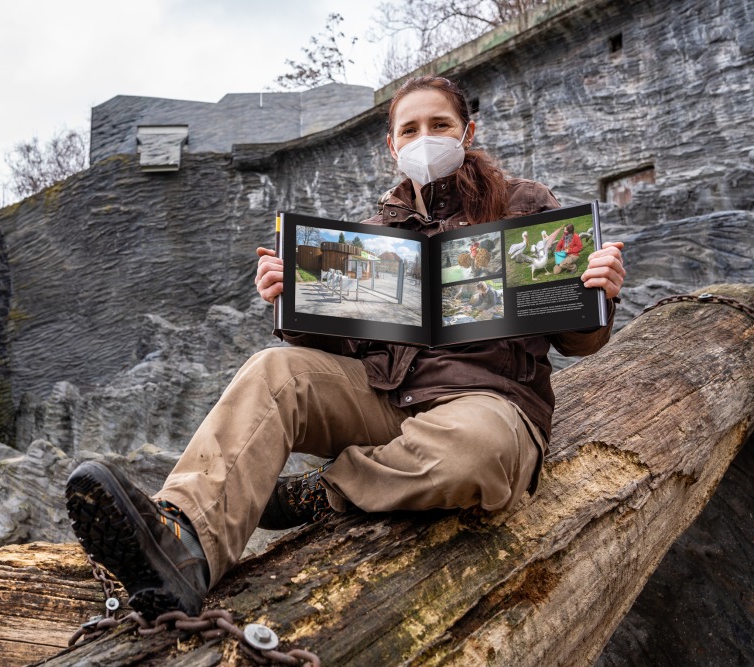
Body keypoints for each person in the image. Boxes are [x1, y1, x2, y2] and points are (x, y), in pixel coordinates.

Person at [64, 75, 627, 620]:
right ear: (391, 144)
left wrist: (598, 292)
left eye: (440, 124)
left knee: (476, 453)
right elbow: (337, 344)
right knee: (275, 369)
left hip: (488, 403)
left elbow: (579, 340)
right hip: (389, 397)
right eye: (410, 129)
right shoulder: (367, 235)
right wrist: (289, 301)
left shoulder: (525, 205)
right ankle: (184, 541)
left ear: (467, 133)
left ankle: (325, 491)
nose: (424, 138)